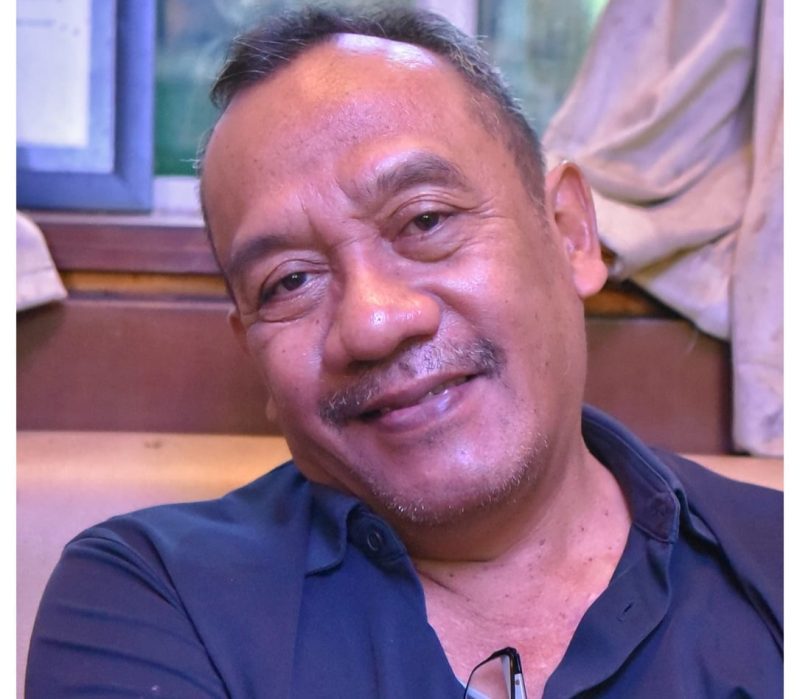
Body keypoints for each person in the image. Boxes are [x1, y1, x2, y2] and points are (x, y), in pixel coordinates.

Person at [26, 7, 782, 698]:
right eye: (290, 281)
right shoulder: (152, 601)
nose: (374, 321)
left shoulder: (777, 562)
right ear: (254, 351)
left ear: (569, 234)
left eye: (424, 221)